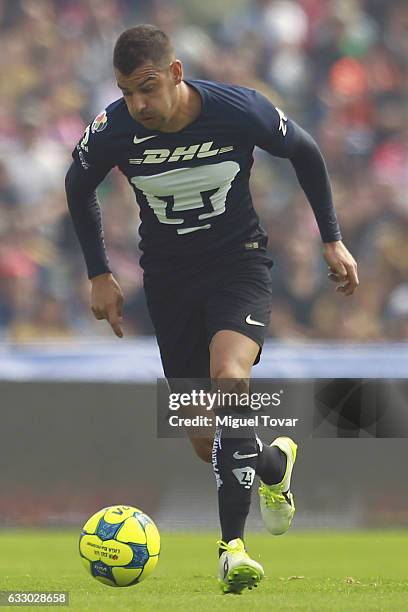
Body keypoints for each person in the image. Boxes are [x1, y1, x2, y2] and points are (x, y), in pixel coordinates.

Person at [65, 24, 359, 594]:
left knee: (230, 379)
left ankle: (232, 549)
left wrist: (331, 238)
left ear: (176, 73)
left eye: (147, 88)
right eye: (127, 91)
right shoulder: (112, 128)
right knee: (208, 441)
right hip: (169, 284)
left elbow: (305, 150)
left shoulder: (239, 109)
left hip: (238, 266)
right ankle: (273, 466)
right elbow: (77, 187)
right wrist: (99, 273)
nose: (138, 104)